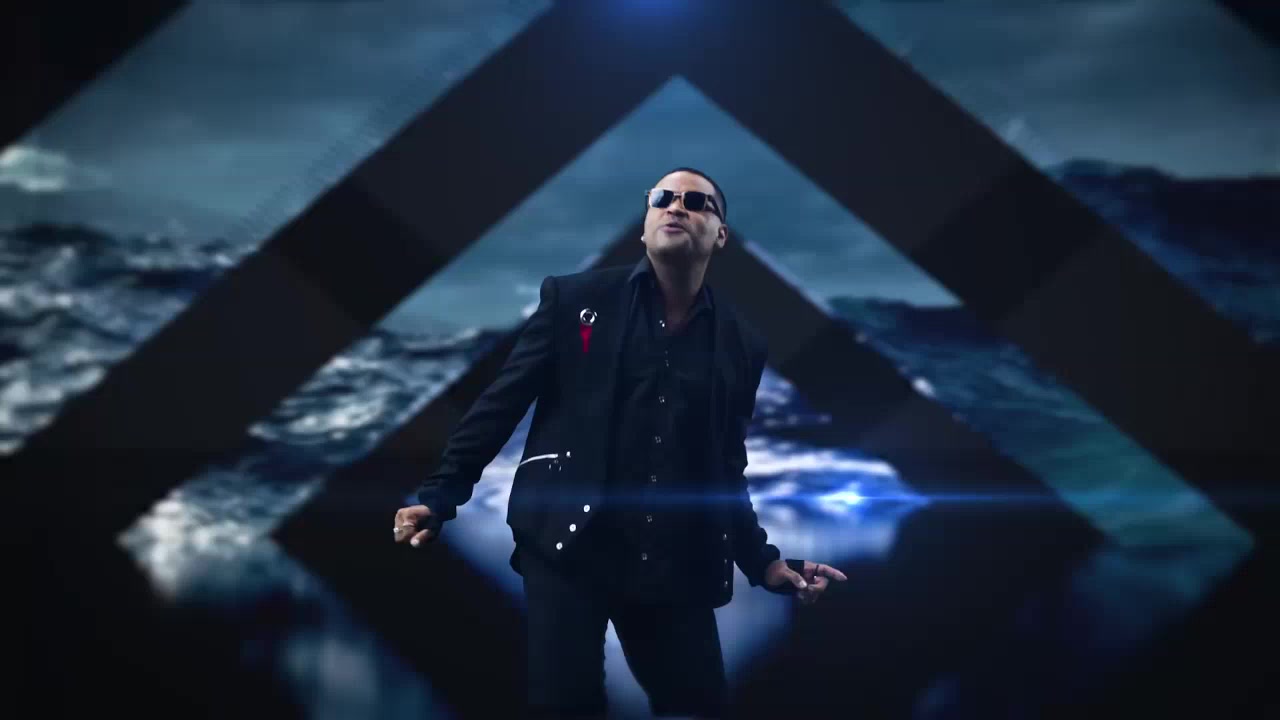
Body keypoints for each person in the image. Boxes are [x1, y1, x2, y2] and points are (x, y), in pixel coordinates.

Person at [393, 168, 848, 718]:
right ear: (645, 222)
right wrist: (440, 496)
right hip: (566, 545)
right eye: (663, 198)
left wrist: (764, 564)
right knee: (567, 706)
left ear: (720, 235)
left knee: (699, 706)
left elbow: (725, 468)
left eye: (696, 202)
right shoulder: (575, 299)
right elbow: (501, 405)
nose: (675, 207)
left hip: (674, 561)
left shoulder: (741, 342)